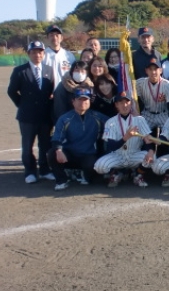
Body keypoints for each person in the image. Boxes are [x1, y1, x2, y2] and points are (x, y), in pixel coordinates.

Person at [7, 41, 55, 184]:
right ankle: (30, 171)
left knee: (45, 145)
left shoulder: (49, 70)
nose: (37, 55)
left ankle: (45, 170)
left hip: (45, 115)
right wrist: (22, 104)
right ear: (29, 54)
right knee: (27, 145)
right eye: (34, 52)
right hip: (27, 116)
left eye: (40, 52)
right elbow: (11, 91)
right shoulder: (20, 71)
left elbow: (51, 90)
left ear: (43, 54)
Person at [48, 88, 108, 191]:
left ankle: (81, 173)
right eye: (79, 99)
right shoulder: (65, 118)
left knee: (93, 170)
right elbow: (57, 137)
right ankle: (62, 180)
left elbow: (114, 123)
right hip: (69, 155)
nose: (83, 102)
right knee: (52, 153)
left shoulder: (98, 117)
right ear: (73, 101)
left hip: (88, 155)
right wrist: (58, 151)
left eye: (86, 99)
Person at [93, 92, 155, 188]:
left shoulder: (140, 120)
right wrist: (126, 137)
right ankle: (116, 173)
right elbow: (111, 146)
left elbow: (147, 141)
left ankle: (138, 174)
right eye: (121, 102)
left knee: (153, 158)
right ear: (116, 105)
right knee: (99, 166)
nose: (124, 105)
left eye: (127, 102)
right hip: (118, 155)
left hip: (134, 153)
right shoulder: (110, 122)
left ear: (131, 104)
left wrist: (150, 151)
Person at [136, 57, 169, 134]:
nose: (153, 72)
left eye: (155, 69)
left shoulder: (167, 84)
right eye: (150, 69)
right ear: (146, 71)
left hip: (163, 114)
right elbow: (135, 99)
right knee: (140, 132)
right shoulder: (140, 83)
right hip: (148, 114)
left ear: (161, 70)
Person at [42, 24, 75, 90]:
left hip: (66, 91)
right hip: (48, 92)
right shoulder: (42, 55)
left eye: (57, 35)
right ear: (47, 38)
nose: (54, 38)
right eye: (51, 35)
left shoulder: (69, 55)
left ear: (61, 38)